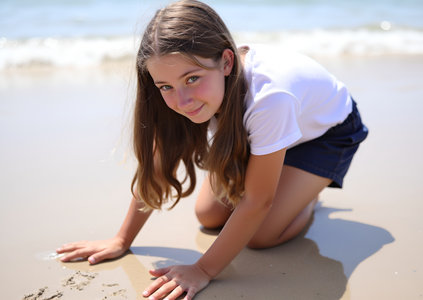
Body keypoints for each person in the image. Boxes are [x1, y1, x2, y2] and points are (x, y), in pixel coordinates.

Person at [56, 0, 368, 299]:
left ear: (227, 62)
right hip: (262, 129)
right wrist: (122, 239)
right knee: (209, 215)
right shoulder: (192, 95)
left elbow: (258, 201)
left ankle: (308, 197)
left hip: (323, 135)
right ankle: (285, 178)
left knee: (260, 236)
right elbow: (158, 165)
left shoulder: (270, 98)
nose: (181, 100)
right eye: (165, 86)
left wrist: (203, 269)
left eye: (192, 79)